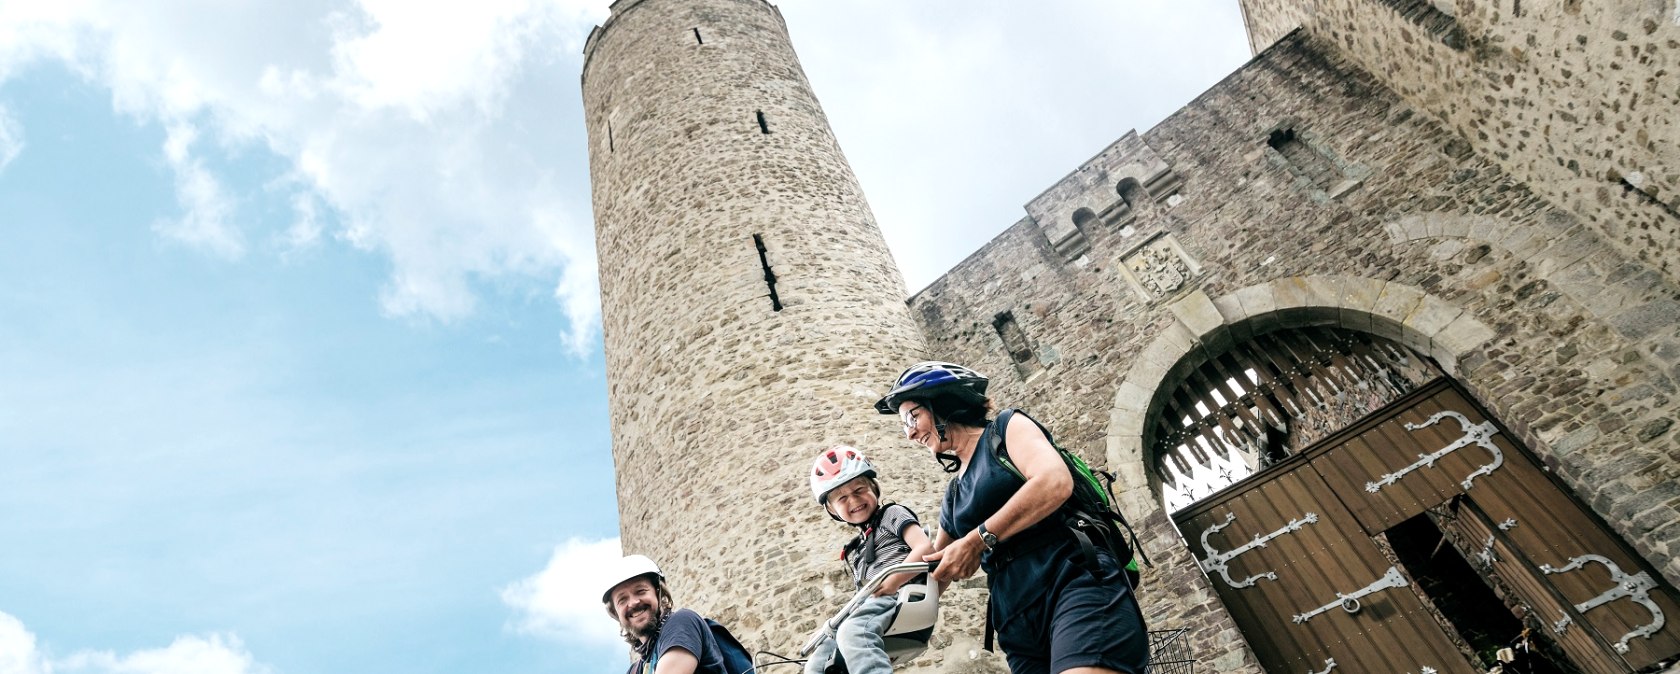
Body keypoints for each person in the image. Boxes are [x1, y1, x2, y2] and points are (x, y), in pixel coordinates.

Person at [874, 361, 1148, 674]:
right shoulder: (953, 494)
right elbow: (940, 569)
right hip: (1016, 622)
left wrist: (978, 540)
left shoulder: (1005, 429)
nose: (909, 433)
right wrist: (879, 618)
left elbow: (1054, 482)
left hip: (1073, 580)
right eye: (903, 424)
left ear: (942, 401)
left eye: (912, 416)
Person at [803, 445, 934, 674]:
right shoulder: (856, 550)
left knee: (853, 631)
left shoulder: (892, 514)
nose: (853, 500)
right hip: (871, 603)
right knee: (818, 660)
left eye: (859, 490)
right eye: (842, 498)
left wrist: (893, 580)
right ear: (832, 510)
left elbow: (924, 548)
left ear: (874, 487)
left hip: (899, 595)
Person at [603, 554, 728, 674]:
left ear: (658, 592)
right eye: (622, 600)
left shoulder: (682, 623)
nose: (633, 603)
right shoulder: (636, 670)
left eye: (641, 591)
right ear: (615, 612)